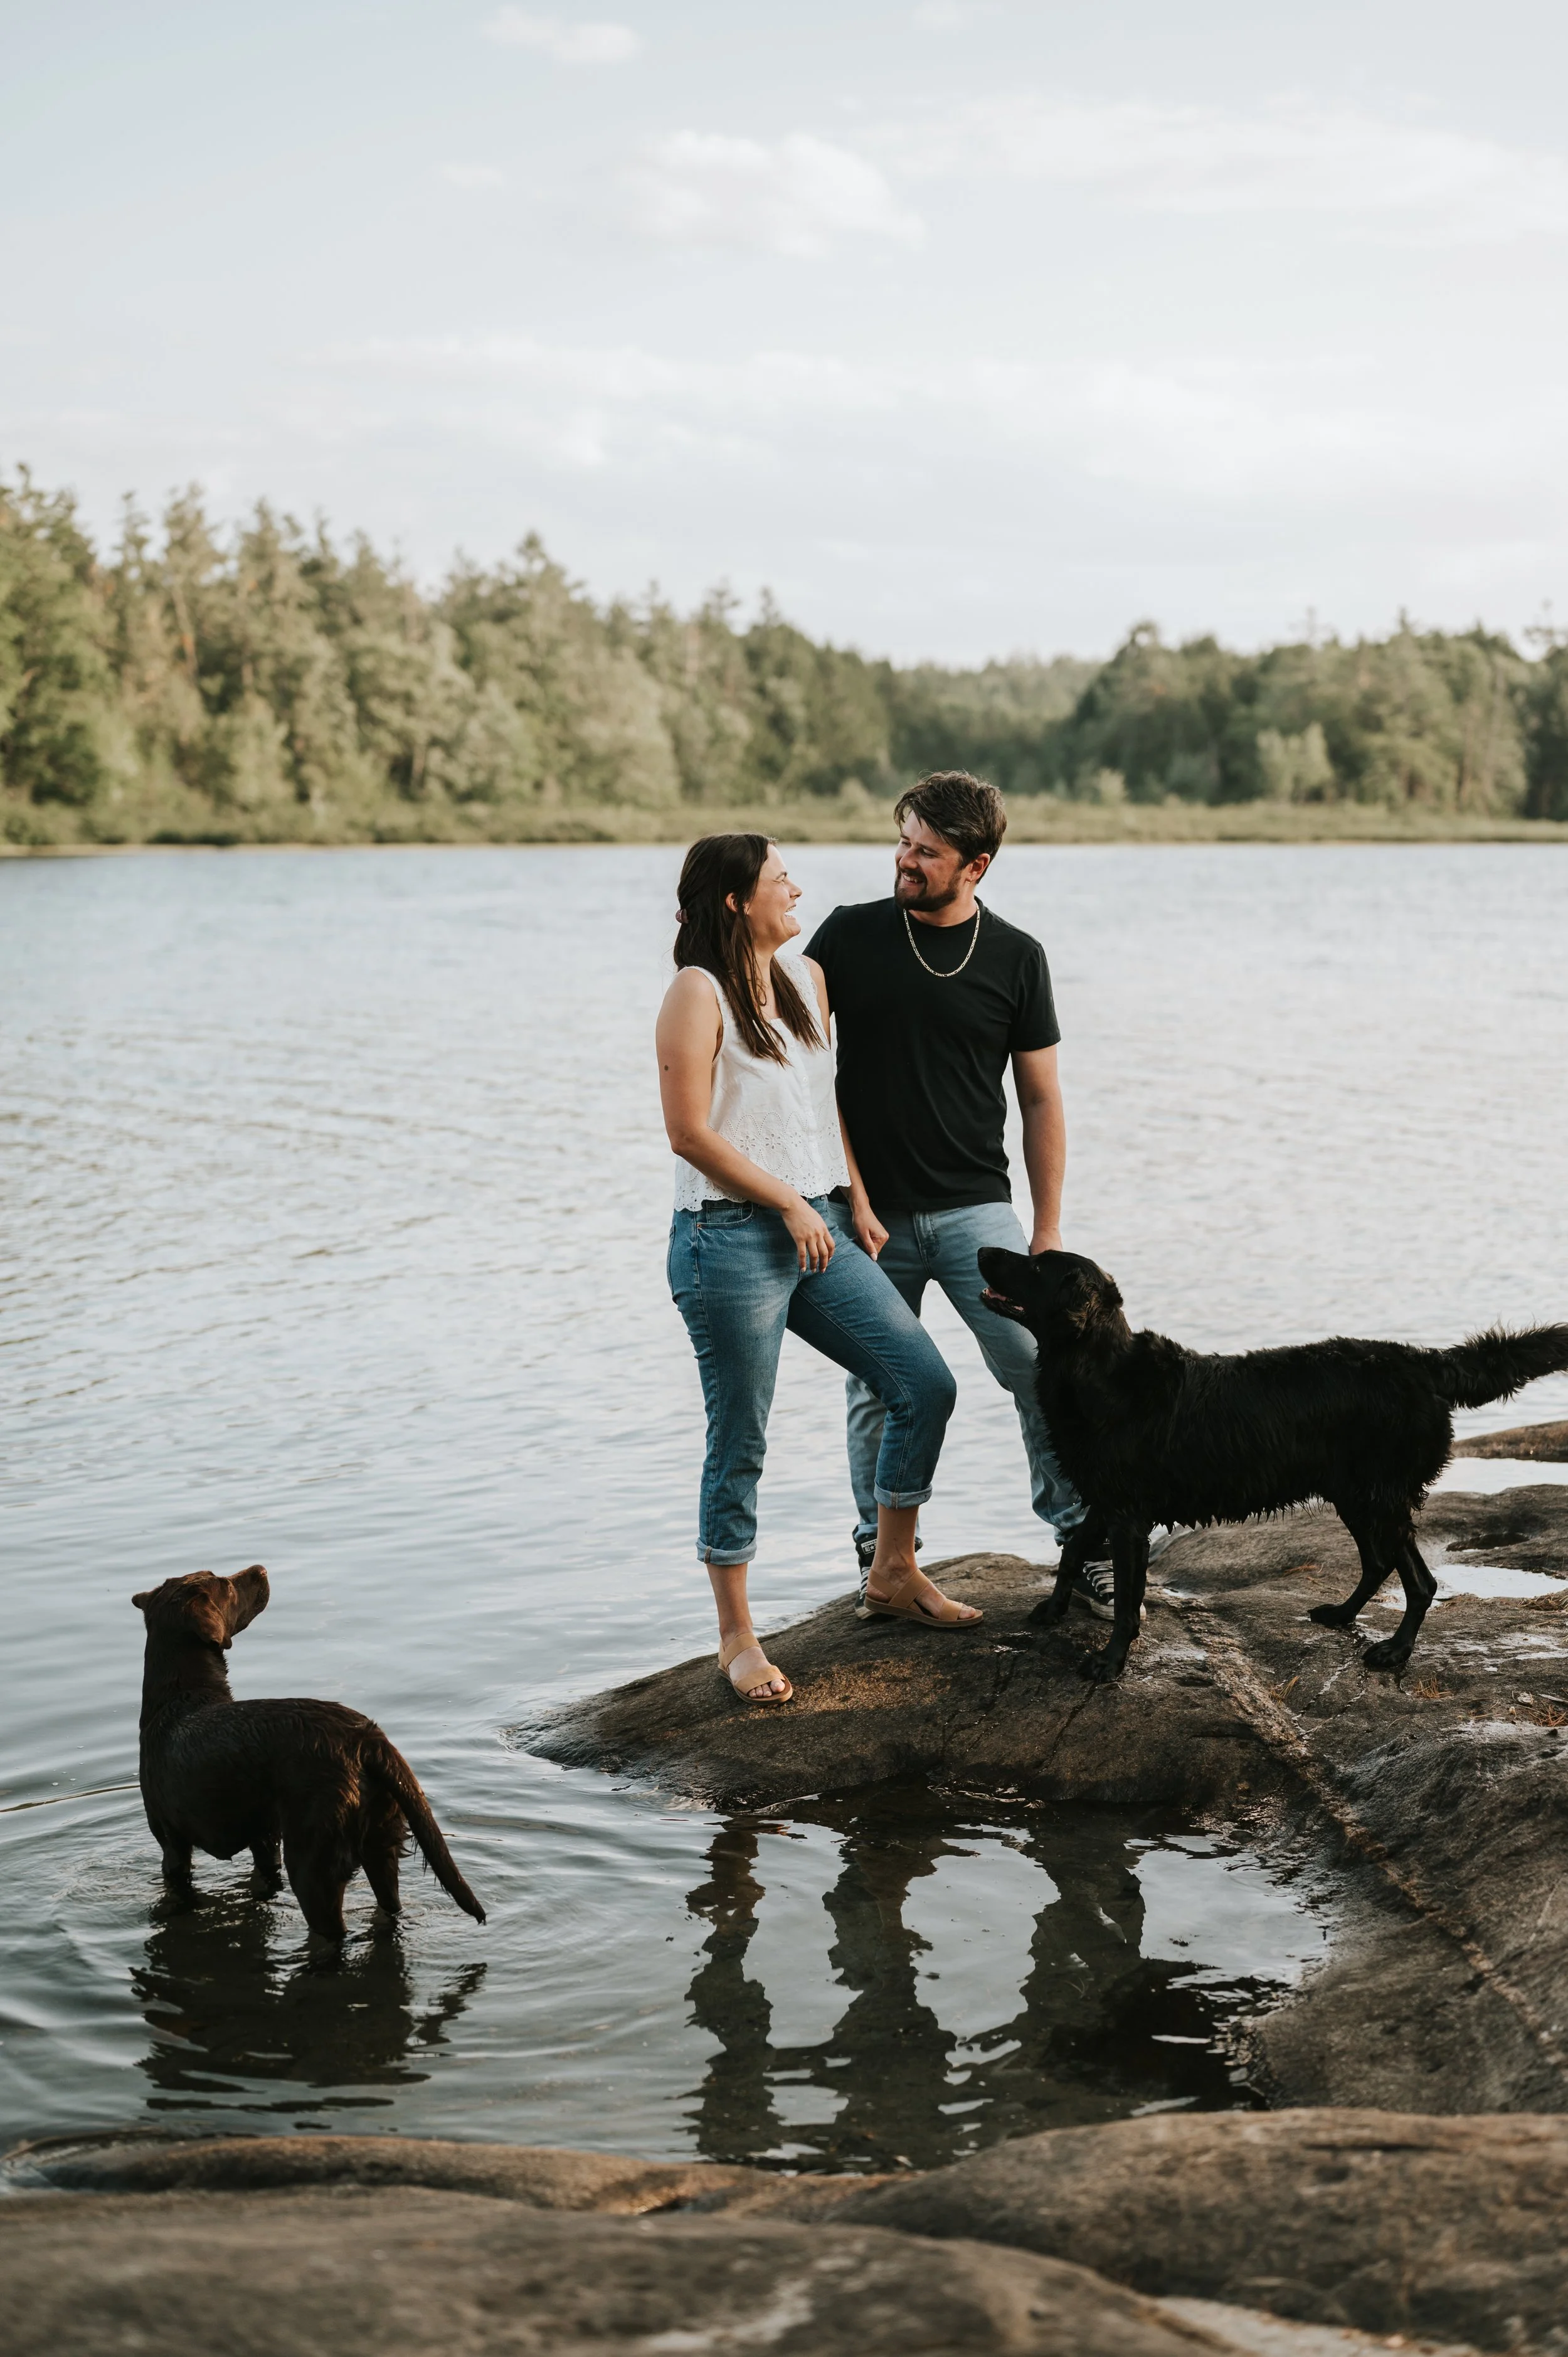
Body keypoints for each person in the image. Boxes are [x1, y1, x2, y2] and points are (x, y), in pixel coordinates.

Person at [657, 833, 980, 1708]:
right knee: (742, 1440)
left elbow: (820, 1102)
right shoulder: (697, 992)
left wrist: (852, 1200)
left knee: (924, 1382)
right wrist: (793, 1206)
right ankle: (736, 1639)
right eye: (778, 878)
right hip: (727, 1239)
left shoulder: (805, 982)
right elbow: (690, 1133)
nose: (796, 887)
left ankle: (893, 1572)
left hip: (821, 1225)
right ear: (736, 901)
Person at [805, 770, 1117, 1607]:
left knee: (1039, 1366)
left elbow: (1042, 1098)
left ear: (975, 866)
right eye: (902, 842)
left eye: (926, 852)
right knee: (878, 1382)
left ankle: (1080, 1540)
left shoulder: (1018, 958)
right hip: (866, 1213)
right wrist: (852, 1200)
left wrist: (1046, 1228)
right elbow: (804, 1074)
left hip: (979, 1207)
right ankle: (882, 1553)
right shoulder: (845, 937)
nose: (904, 861)